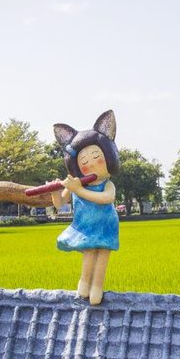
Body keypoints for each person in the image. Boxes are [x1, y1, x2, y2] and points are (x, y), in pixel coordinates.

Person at [50, 110, 120, 305]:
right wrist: (56, 190)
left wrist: (77, 190)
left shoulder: (106, 185)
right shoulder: (75, 183)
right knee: (89, 253)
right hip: (85, 227)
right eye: (84, 162)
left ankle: (97, 287)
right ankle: (84, 283)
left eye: (97, 158)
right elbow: (59, 204)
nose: (91, 165)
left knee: (103, 255)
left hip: (106, 225)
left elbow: (106, 199)